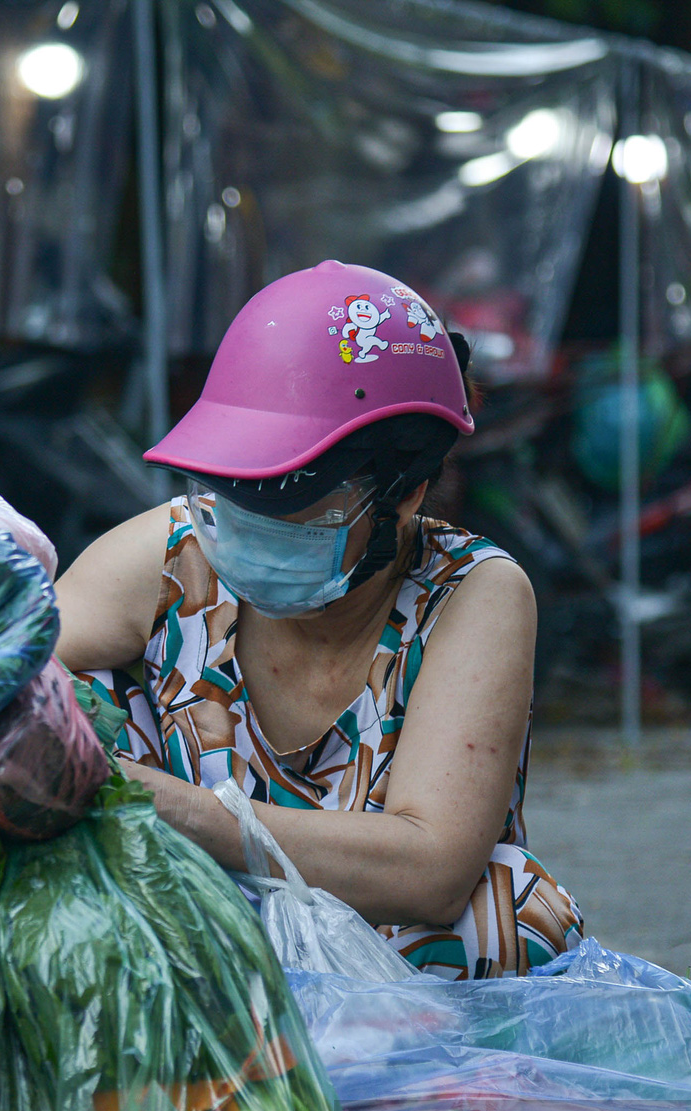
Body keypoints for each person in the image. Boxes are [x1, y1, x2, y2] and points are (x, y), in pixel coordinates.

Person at [55, 260, 582, 979]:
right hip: (182, 923)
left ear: (404, 496)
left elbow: (433, 869)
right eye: (230, 493)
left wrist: (180, 810)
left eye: (289, 500)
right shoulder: (173, 554)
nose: (245, 524)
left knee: (506, 911)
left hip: (375, 963)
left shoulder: (471, 592)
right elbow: (5, 667)